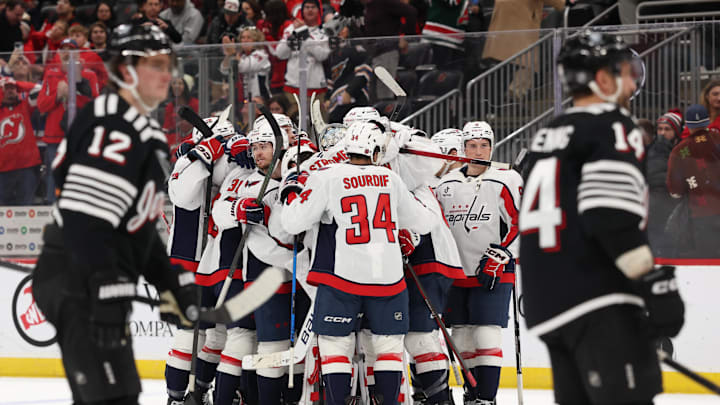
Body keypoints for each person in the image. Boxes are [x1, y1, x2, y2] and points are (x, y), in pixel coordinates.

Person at [31, 24, 199, 405]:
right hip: (77, 278)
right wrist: (105, 282)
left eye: (167, 64)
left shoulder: (143, 130)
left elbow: (137, 229)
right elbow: (83, 216)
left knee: (120, 396)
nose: (167, 74)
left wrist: (169, 281)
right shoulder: (112, 122)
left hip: (97, 279)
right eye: (155, 64)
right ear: (126, 72)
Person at [519, 31, 685, 405]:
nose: (632, 81)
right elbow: (608, 215)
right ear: (603, 79)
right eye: (624, 72)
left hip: (549, 304)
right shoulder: (613, 125)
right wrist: (652, 282)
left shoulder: (550, 133)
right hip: (597, 297)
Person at [280, 121, 437, 405]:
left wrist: (291, 193)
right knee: (388, 349)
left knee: (335, 347)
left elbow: (292, 222)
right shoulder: (391, 179)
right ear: (375, 151)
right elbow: (425, 222)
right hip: (388, 279)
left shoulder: (328, 177)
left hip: (344, 278)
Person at [434, 121, 522, 404]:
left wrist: (502, 254)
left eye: (484, 145)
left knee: (486, 334)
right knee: (461, 337)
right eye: (472, 145)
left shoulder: (506, 180)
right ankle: (472, 395)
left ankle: (486, 397)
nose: (479, 151)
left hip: (493, 271)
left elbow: (522, 223)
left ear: (492, 147)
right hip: (457, 271)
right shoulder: (446, 185)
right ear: (463, 148)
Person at [213, 119, 299, 405]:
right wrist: (238, 208)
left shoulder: (296, 175)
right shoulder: (250, 183)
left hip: (299, 277)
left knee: (299, 344)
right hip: (265, 277)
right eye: (256, 147)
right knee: (271, 348)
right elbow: (219, 213)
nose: (259, 153)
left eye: (265, 146)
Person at [37, 37, 100, 204]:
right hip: (55, 135)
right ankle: (52, 207)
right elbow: (41, 106)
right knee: (53, 172)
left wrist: (77, 89)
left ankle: (82, 206)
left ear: (78, 53)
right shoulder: (51, 74)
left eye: (71, 49)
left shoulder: (88, 75)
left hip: (81, 135)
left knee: (82, 172)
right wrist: (57, 96)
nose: (67, 53)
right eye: (63, 49)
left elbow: (95, 105)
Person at [667, 104, 720, 258]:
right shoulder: (718, 138)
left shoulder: (680, 150)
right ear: (708, 120)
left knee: (708, 263)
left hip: (702, 213)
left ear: (687, 125)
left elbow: (675, 190)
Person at [274, 0, 330, 98]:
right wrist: (293, 36)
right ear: (302, 10)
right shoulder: (291, 29)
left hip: (316, 86)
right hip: (293, 85)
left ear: (319, 11)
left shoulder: (324, 31)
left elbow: (322, 56)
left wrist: (304, 34)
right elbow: (280, 54)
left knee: (317, 113)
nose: (310, 10)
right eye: (307, 7)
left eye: (313, 7)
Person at [323, 16, 372, 124]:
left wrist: (349, 92)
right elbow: (330, 79)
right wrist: (327, 98)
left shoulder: (357, 48)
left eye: (342, 28)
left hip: (355, 100)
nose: (339, 32)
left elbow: (364, 72)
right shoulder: (333, 53)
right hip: (338, 102)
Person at [0, 77, 41, 205]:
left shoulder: (25, 105)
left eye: (13, 88)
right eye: (7, 88)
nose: (10, 91)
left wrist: (17, 83)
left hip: (27, 168)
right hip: (3, 169)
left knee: (26, 206)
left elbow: (39, 89)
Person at [646, 110, 682, 256]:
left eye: (667, 129)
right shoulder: (650, 150)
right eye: (660, 129)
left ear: (676, 132)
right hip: (654, 200)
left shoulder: (682, 151)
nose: (662, 133)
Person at [219, 27, 272, 103]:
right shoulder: (241, 56)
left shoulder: (262, 55)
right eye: (243, 38)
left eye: (249, 37)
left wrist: (233, 54)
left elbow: (244, 67)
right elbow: (224, 70)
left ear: (256, 40)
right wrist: (228, 55)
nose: (245, 40)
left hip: (260, 100)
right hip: (243, 100)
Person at [258, 0, 292, 95]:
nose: (265, 17)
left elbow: (277, 52)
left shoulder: (288, 26)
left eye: (267, 13)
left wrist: (267, 38)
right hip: (267, 70)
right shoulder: (263, 25)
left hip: (284, 74)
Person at [163, 75, 199, 150]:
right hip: (174, 139)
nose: (177, 86)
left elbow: (199, 122)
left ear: (185, 86)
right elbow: (167, 127)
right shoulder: (169, 106)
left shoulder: (195, 103)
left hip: (193, 136)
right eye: (174, 83)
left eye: (180, 83)